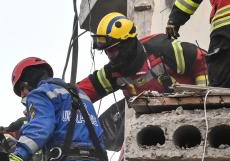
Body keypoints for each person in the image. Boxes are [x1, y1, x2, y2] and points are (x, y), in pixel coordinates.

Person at [78, 12, 208, 101]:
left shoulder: (163, 50)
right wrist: (60, 92)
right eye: (106, 51)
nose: (110, 56)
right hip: (155, 128)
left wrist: (203, 98)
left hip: (194, 116)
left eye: (113, 50)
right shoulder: (115, 73)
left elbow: (204, 61)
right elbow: (84, 91)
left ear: (126, 45)